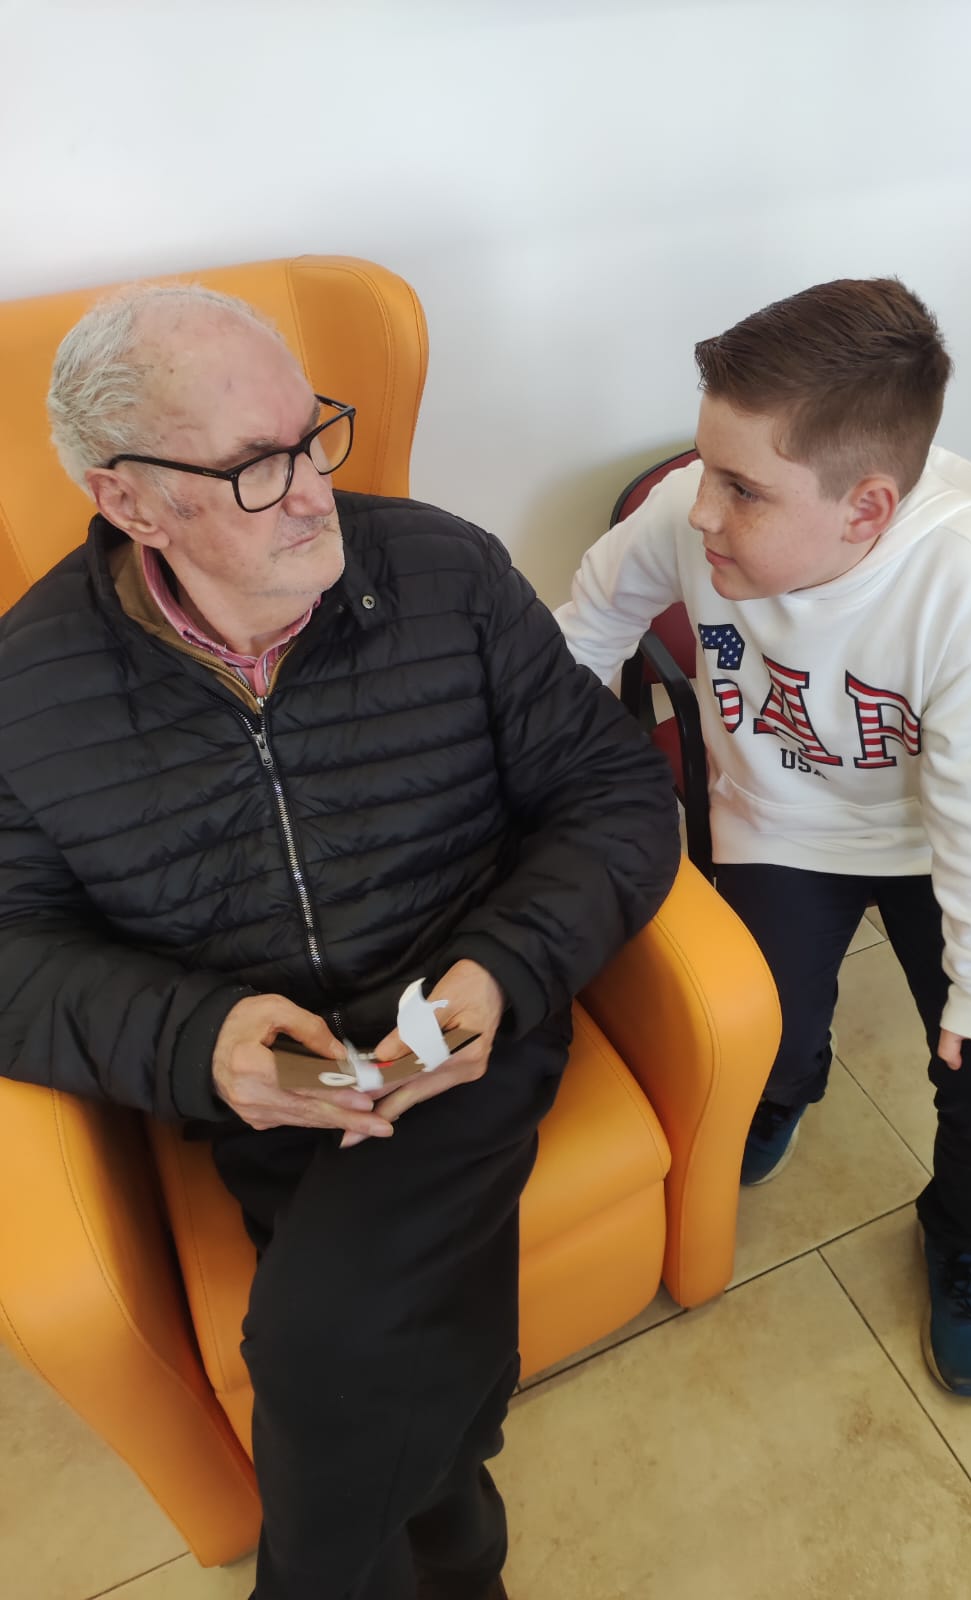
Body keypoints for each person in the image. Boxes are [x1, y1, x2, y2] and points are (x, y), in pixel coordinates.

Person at [0, 283, 679, 1600]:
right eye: (256, 466)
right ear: (129, 501)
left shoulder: (447, 574)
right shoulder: (29, 694)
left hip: (467, 1024)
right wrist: (201, 1043)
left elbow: (614, 794)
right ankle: (460, 1538)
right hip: (264, 1084)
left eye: (313, 435)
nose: (316, 491)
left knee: (313, 1339)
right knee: (367, 1339)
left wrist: (501, 974)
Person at [555, 277, 971, 1399]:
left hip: (932, 840)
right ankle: (788, 1087)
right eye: (705, 467)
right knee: (760, 1030)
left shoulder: (967, 586)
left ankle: (964, 1241)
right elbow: (585, 631)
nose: (699, 511)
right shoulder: (688, 514)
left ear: (865, 510)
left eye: (742, 489)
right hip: (780, 818)